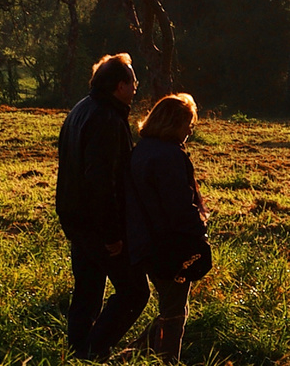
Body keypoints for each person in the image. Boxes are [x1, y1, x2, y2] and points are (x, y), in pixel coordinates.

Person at [56, 53, 148, 359]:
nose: (136, 88)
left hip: (76, 218)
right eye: (133, 82)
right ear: (121, 86)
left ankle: (77, 351)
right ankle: (94, 350)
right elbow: (101, 181)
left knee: (87, 289)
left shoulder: (81, 109)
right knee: (135, 292)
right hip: (97, 223)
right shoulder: (107, 119)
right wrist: (112, 233)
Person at [127, 93, 211, 362]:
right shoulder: (170, 156)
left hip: (145, 241)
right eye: (188, 123)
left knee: (170, 305)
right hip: (170, 245)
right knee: (174, 312)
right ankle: (165, 360)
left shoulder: (141, 150)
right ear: (174, 123)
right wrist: (199, 232)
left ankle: (131, 354)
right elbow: (178, 205)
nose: (190, 130)